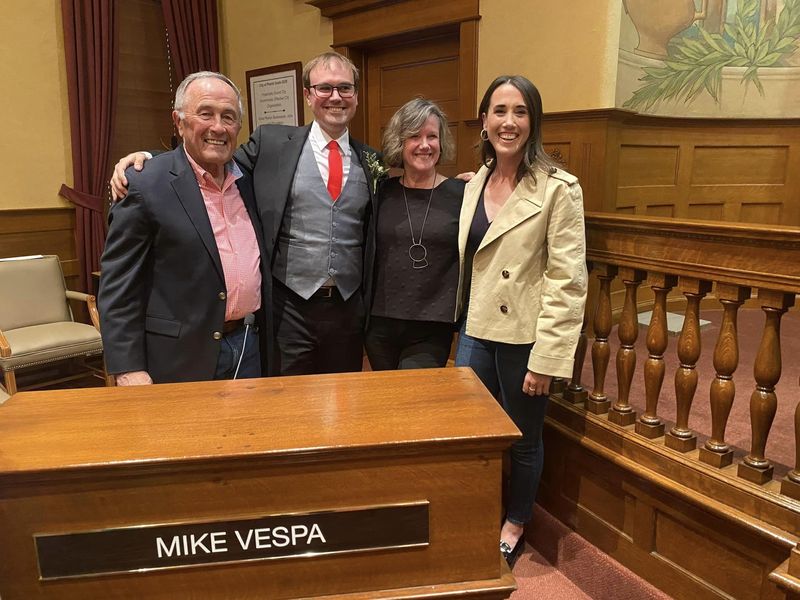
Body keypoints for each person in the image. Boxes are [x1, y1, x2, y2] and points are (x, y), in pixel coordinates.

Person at [110, 52, 378, 376]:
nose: (335, 96)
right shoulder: (273, 144)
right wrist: (147, 160)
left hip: (345, 311)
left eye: (345, 88)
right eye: (324, 88)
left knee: (342, 403)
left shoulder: (372, 161)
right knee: (285, 405)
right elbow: (203, 158)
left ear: (356, 96)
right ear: (308, 95)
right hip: (287, 310)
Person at [454, 75, 587, 567]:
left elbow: (568, 281)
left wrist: (546, 358)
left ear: (534, 121)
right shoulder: (475, 182)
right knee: (475, 432)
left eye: (520, 112)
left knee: (523, 438)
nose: (508, 122)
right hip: (473, 329)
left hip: (521, 339)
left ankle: (515, 520)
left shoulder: (559, 190)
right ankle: (476, 511)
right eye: (499, 111)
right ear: (484, 120)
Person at [99, 72, 271, 385]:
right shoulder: (144, 184)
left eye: (228, 117)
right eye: (205, 114)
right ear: (179, 121)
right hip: (180, 356)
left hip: (248, 346)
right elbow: (119, 287)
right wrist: (127, 368)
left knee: (246, 434)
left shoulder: (249, 180)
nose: (218, 127)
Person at [366, 98, 464, 370]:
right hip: (380, 323)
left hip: (432, 326)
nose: (424, 145)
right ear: (400, 142)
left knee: (414, 401)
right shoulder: (381, 191)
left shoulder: (462, 194)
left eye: (432, 136)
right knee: (387, 399)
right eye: (414, 136)